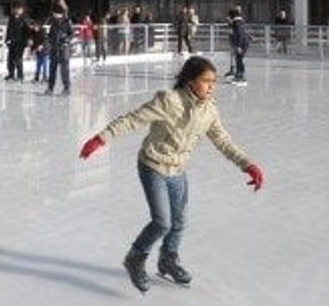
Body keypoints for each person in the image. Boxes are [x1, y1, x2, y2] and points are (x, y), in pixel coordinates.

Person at [79, 56, 263, 293]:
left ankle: (168, 259)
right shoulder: (169, 101)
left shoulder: (209, 109)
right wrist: (100, 138)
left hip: (178, 170)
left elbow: (222, 140)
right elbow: (133, 119)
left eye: (213, 81)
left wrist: (247, 165)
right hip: (153, 165)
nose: (211, 86)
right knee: (162, 222)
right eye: (206, 81)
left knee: (179, 221)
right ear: (190, 81)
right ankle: (135, 258)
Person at [45, 2, 73, 96]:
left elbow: (71, 34)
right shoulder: (53, 22)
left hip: (63, 49)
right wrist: (48, 38)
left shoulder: (67, 21)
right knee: (52, 69)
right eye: (54, 13)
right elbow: (51, 34)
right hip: (54, 49)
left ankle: (66, 88)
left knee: (64, 70)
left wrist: (66, 40)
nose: (54, 15)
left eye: (56, 13)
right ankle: (50, 88)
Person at [5, 3, 30, 81]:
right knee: (10, 59)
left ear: (22, 10)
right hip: (12, 42)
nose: (17, 10)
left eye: (19, 9)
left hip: (20, 43)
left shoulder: (24, 19)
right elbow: (9, 29)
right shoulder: (11, 18)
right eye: (16, 9)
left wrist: (26, 41)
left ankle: (20, 75)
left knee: (18, 59)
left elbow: (27, 32)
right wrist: (7, 39)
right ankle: (11, 74)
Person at [228, 7, 249, 86]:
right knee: (238, 59)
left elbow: (239, 34)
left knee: (240, 60)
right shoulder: (238, 22)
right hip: (241, 43)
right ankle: (238, 75)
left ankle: (242, 78)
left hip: (241, 44)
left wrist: (239, 46)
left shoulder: (236, 23)